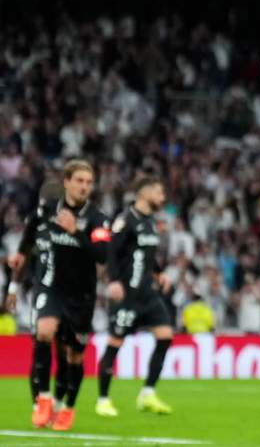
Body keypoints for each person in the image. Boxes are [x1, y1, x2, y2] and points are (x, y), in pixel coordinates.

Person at [7, 160, 111, 431]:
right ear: (66, 182)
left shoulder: (98, 219)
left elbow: (102, 256)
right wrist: (20, 252)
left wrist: (75, 231)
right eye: (79, 181)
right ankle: (43, 398)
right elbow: (30, 230)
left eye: (89, 182)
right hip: (50, 287)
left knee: (75, 357)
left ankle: (68, 408)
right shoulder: (47, 210)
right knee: (43, 332)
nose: (84, 187)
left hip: (82, 297)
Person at [97, 176, 175, 417]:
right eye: (159, 193)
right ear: (145, 193)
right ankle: (103, 399)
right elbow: (111, 252)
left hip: (148, 294)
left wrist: (160, 273)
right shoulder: (125, 220)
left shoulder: (151, 222)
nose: (163, 198)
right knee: (115, 343)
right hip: (127, 294)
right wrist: (114, 282)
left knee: (165, 336)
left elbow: (148, 256)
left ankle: (148, 394)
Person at [5, 180, 73, 420]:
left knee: (63, 351)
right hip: (44, 291)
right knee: (41, 343)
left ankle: (56, 402)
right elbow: (21, 256)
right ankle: (39, 403)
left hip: (69, 294)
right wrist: (12, 288)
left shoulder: (71, 222)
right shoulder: (35, 221)